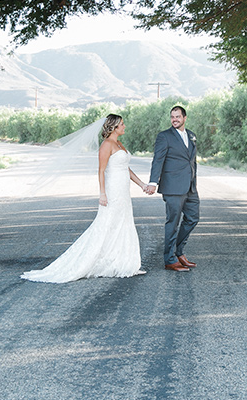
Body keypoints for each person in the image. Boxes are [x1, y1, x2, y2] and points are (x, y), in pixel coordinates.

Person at [22, 115, 149, 283]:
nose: (125, 126)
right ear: (114, 127)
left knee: (123, 223)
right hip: (113, 190)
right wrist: (102, 193)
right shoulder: (107, 145)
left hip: (123, 191)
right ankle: (94, 262)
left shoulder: (119, 143)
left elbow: (126, 168)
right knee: (107, 224)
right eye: (122, 124)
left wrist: (142, 184)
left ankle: (123, 262)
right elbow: (101, 170)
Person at [146, 105, 199, 272]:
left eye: (177, 117)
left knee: (193, 218)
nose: (174, 119)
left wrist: (194, 182)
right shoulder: (164, 136)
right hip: (172, 187)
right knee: (173, 223)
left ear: (184, 118)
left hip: (190, 186)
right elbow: (158, 160)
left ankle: (178, 252)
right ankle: (170, 259)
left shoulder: (191, 135)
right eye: (172, 117)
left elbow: (192, 161)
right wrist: (153, 182)